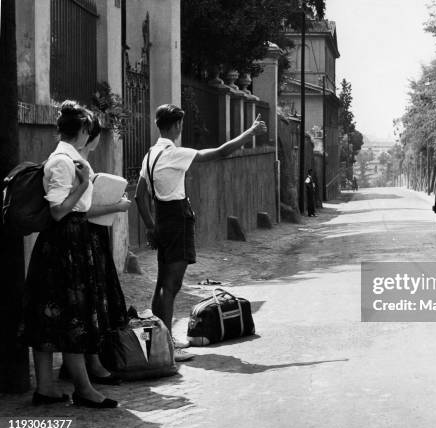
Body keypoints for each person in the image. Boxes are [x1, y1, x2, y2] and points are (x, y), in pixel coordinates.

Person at [135, 104, 266, 361]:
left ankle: (158, 343)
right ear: (175, 126)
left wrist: (151, 228)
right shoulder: (173, 153)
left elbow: (140, 197)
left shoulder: (150, 155)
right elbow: (219, 152)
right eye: (180, 124)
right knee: (172, 285)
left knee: (161, 284)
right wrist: (250, 132)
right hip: (177, 220)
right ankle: (167, 348)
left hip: (162, 219)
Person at [23, 101, 130, 408]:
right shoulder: (63, 161)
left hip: (70, 240)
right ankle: (82, 389)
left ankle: (47, 388)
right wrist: (83, 185)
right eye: (88, 129)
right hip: (64, 240)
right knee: (71, 316)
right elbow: (57, 211)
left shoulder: (69, 158)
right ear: (82, 130)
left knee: (51, 313)